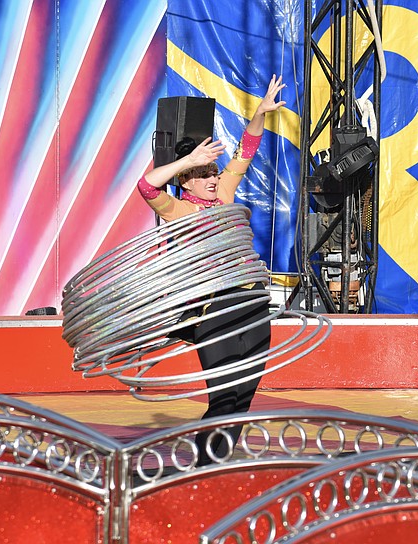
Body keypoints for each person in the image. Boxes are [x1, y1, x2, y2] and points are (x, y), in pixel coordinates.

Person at [137, 75, 286, 465]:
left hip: (252, 303)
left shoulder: (224, 196)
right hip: (215, 310)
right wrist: (187, 161)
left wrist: (260, 114)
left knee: (243, 397)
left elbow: (246, 152)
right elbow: (148, 187)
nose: (213, 178)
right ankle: (204, 466)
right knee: (224, 395)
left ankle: (211, 462)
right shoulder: (181, 211)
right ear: (186, 179)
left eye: (213, 171)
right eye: (204, 174)